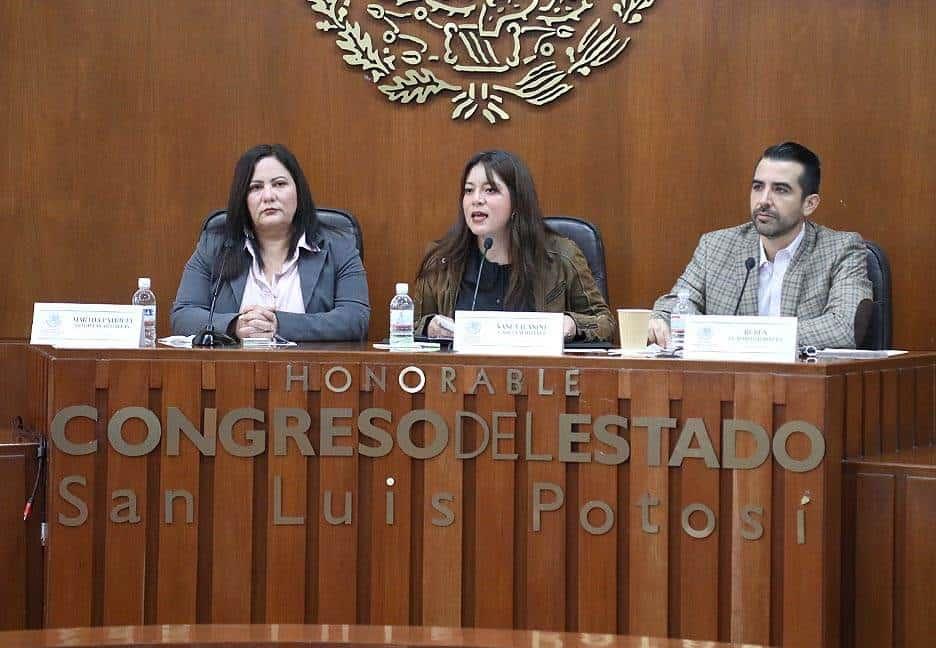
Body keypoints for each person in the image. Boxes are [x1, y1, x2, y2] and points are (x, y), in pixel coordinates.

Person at [648, 141, 872, 350]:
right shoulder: (716, 246)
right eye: (758, 187)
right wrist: (661, 320)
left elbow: (844, 326)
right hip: (726, 386)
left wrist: (752, 338)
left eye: (780, 189)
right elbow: (675, 304)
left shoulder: (841, 249)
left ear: (809, 204)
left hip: (801, 386)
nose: (764, 200)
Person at [171, 144, 370, 342]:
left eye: (279, 184)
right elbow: (183, 316)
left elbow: (355, 319)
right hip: (231, 371)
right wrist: (234, 326)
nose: (268, 196)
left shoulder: (339, 246)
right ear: (243, 199)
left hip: (309, 371)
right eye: (255, 187)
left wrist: (278, 325)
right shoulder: (215, 246)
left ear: (298, 191)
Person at [414, 150, 614, 342]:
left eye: (490, 190)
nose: (476, 200)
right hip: (463, 375)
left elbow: (604, 324)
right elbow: (408, 328)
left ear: (517, 201)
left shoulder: (562, 256)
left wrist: (572, 324)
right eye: (469, 190)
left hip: (541, 374)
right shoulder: (442, 262)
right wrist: (428, 325)